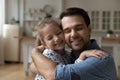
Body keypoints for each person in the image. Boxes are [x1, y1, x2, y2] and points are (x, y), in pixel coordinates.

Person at [31, 7, 117, 80]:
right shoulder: (70, 55)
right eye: (67, 31)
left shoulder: (100, 58)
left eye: (79, 28)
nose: (73, 35)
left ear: (89, 29)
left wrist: (35, 52)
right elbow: (32, 67)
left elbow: (53, 75)